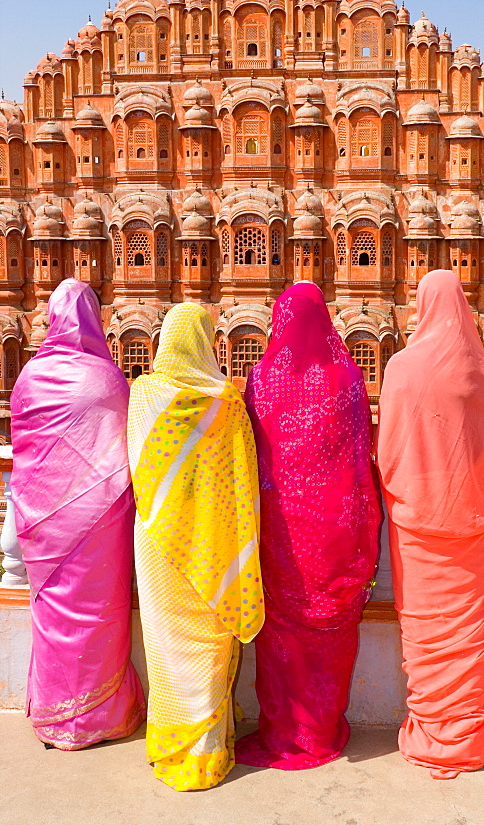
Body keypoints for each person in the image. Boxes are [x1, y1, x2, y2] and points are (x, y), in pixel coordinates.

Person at [235, 281, 381, 770]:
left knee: (282, 634)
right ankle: (319, 728)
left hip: (281, 531)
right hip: (335, 527)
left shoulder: (261, 378)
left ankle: (283, 730)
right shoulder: (347, 377)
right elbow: (362, 459)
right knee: (330, 631)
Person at [376, 270, 484, 779]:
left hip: (417, 521)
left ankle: (434, 732)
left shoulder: (403, 367)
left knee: (426, 631)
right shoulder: (483, 369)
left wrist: (406, 490)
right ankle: (466, 739)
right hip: (472, 519)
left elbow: (387, 449)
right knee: (465, 628)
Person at [127, 302, 263, 791]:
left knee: (167, 648)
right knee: (207, 646)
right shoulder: (225, 401)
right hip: (214, 543)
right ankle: (206, 752)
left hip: (159, 542)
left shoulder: (143, 395)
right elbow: (243, 477)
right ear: (206, 343)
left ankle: (171, 746)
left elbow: (137, 469)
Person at [10, 278, 145, 750]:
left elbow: (26, 448)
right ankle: (100, 716)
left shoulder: (29, 377)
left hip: (40, 519)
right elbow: (126, 450)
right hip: (99, 520)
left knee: (52, 616)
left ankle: (54, 717)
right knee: (98, 617)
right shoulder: (105, 378)